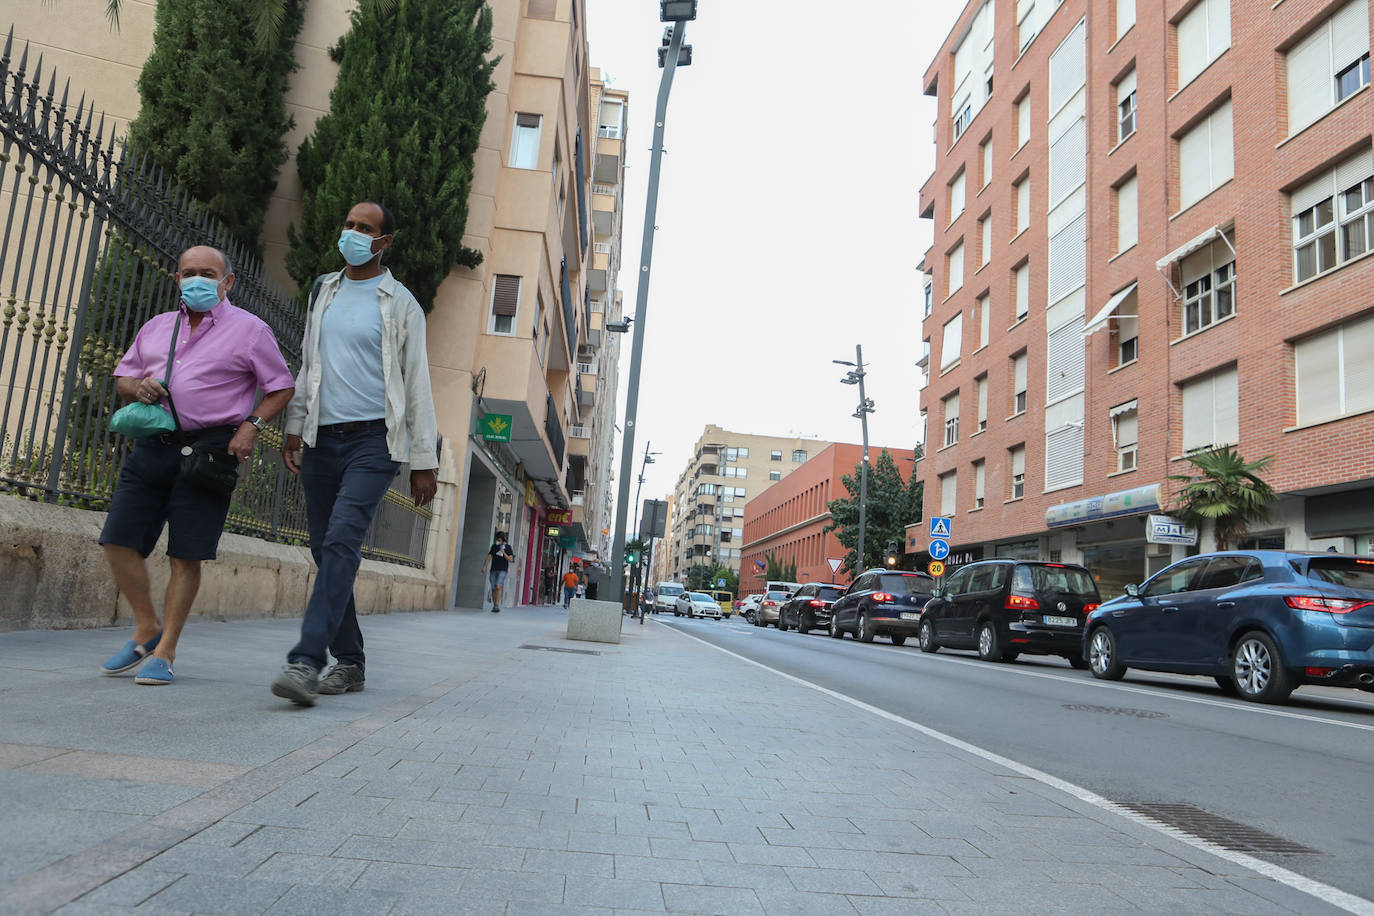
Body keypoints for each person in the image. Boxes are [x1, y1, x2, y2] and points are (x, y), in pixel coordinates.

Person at [99, 246, 295, 686]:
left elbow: (281, 386)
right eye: (189, 273)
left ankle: (165, 651)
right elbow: (122, 379)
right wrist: (139, 386)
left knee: (186, 553)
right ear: (177, 279)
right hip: (154, 443)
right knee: (117, 539)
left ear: (227, 281)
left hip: (210, 449)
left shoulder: (250, 330)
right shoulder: (157, 327)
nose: (197, 280)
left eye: (208, 273)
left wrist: (251, 427)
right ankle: (147, 627)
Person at [271, 201, 439, 706]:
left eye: (365, 228)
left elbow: (416, 384)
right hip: (324, 437)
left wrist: (423, 459)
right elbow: (309, 363)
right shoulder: (325, 288)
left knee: (342, 541)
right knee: (327, 552)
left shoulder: (401, 303)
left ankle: (305, 661)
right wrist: (295, 426)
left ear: (384, 242)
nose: (353, 233)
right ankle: (352, 661)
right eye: (348, 224)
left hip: (373, 442)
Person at [482, 532, 515, 612]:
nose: (498, 540)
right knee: (493, 588)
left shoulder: (508, 547)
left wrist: (503, 552)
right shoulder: (494, 546)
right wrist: (485, 566)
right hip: (493, 569)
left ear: (503, 539)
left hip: (503, 570)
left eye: (499, 539)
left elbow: (511, 560)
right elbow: (489, 556)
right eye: (497, 539)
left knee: (498, 586)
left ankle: (497, 605)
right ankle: (495, 605)